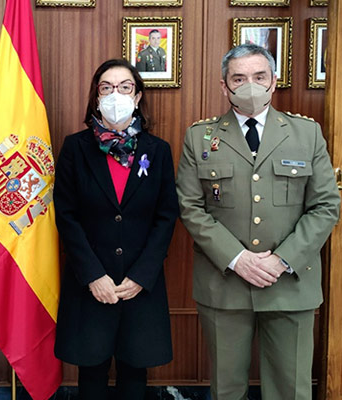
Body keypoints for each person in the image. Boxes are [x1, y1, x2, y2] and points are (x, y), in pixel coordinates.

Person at [176, 43, 340, 400]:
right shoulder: (200, 136)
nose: (250, 85)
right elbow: (190, 206)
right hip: (225, 283)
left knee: (290, 390)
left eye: (259, 76)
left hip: (290, 284)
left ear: (273, 81)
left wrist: (282, 260)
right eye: (239, 78)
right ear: (224, 86)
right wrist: (238, 259)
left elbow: (326, 205)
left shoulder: (306, 133)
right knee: (227, 389)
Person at [53, 58, 179, 400]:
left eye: (125, 87)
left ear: (137, 97)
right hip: (91, 284)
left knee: (135, 375)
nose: (115, 95)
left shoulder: (158, 150)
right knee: (91, 376)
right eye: (106, 88)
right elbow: (65, 215)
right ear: (96, 98)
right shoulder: (75, 148)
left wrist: (141, 276)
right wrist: (93, 275)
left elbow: (166, 216)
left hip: (139, 285)